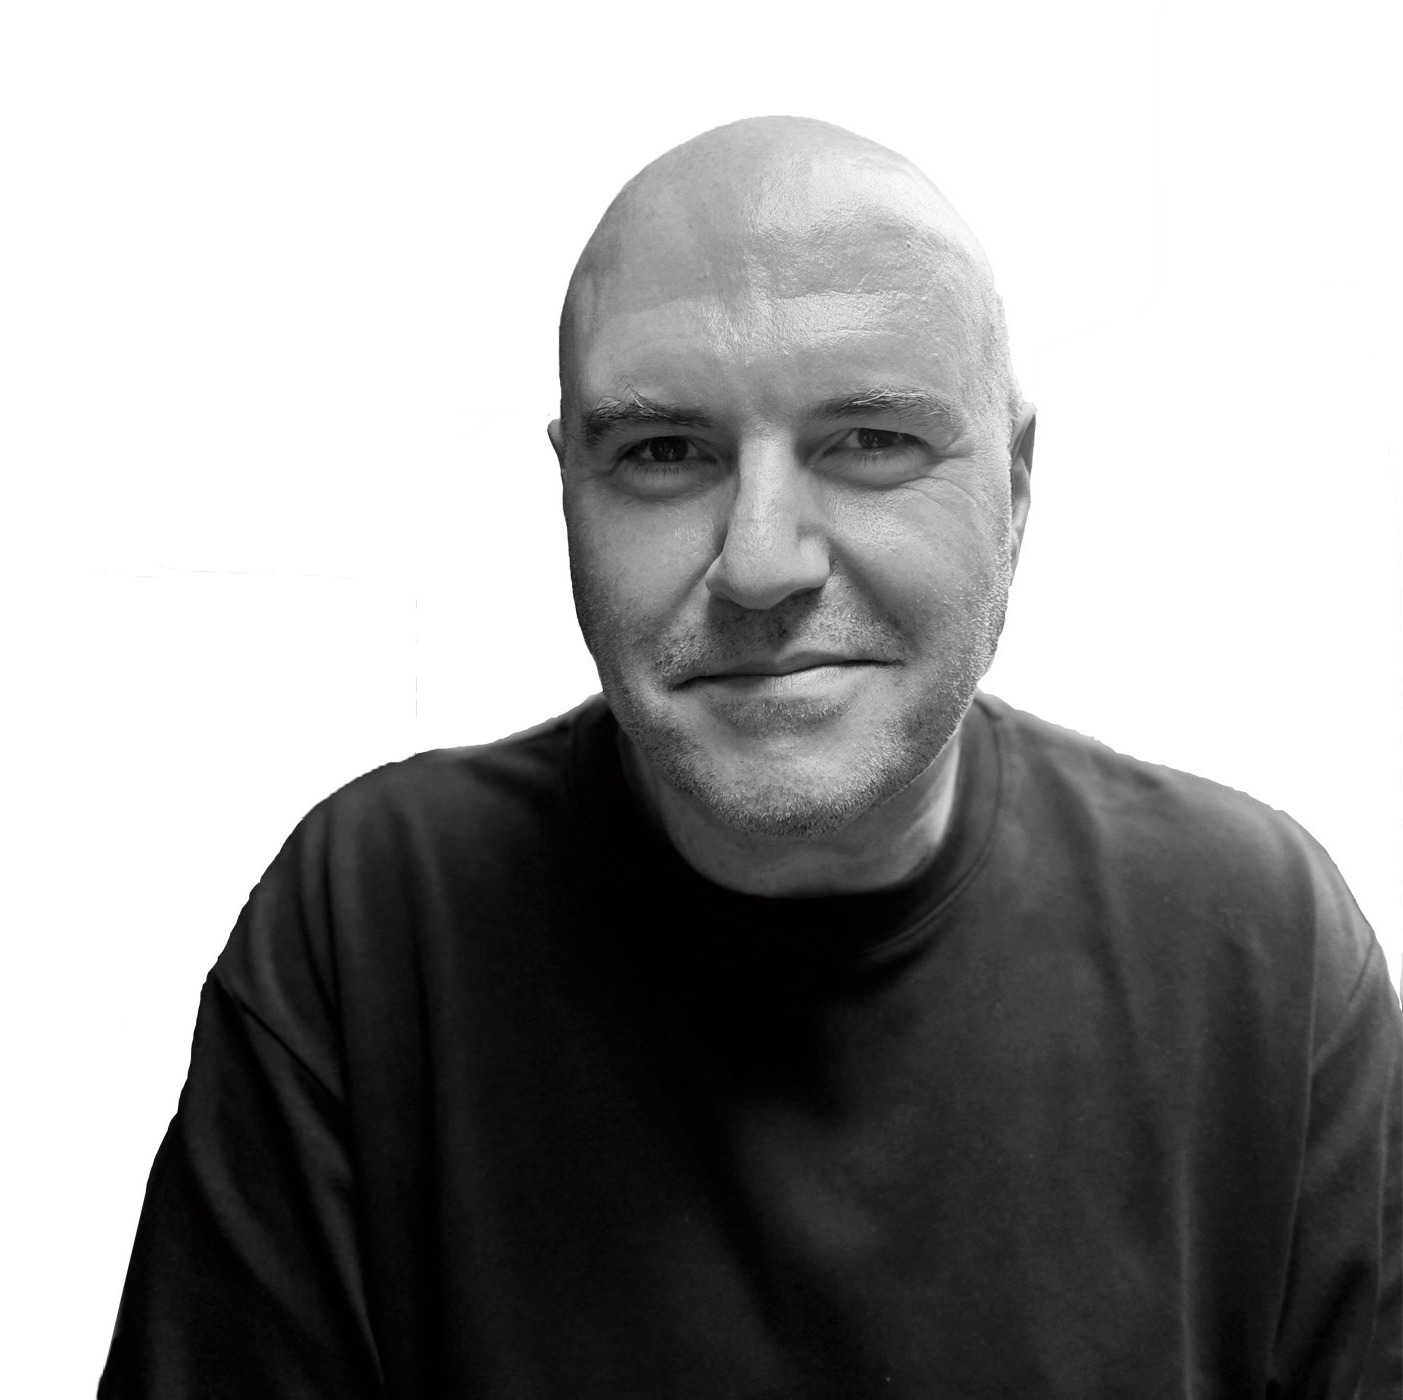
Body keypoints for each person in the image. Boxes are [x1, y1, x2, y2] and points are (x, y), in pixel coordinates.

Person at [99, 117, 1401, 1398]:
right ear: (569, 490)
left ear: (1014, 484)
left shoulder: (1260, 955)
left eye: (870, 442)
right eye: (665, 454)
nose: (763, 561)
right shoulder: (375, 929)